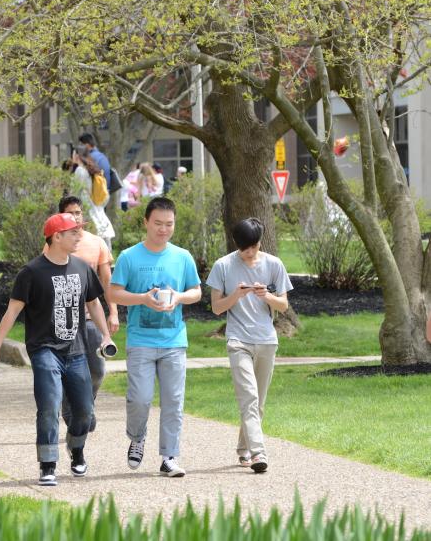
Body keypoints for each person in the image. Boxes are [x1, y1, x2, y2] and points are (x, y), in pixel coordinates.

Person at [0, 213, 114, 486]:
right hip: (44, 351)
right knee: (49, 406)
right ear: (57, 237)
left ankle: (76, 449)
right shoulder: (31, 273)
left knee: (84, 411)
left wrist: (104, 335)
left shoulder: (82, 268)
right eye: (73, 232)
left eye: (79, 231)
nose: (80, 236)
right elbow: (12, 312)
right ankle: (47, 464)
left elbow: (93, 304)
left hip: (77, 350)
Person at [108, 196, 201, 477]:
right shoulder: (129, 257)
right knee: (140, 398)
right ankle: (137, 437)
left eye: (169, 224)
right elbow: (113, 293)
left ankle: (169, 457)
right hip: (140, 340)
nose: (163, 229)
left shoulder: (182, 257)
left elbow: (196, 292)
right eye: (158, 223)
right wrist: (142, 299)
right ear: (146, 222)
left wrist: (179, 296)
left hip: (174, 341)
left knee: (174, 400)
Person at [206, 218, 292, 473]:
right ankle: (258, 453)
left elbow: (284, 305)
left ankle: (243, 449)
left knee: (258, 403)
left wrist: (267, 295)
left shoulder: (274, 265)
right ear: (237, 245)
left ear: (259, 243)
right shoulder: (223, 266)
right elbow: (216, 308)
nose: (250, 253)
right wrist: (237, 295)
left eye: (253, 247)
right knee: (249, 397)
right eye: (245, 249)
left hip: (267, 341)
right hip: (238, 341)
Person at [43, 195, 120, 432]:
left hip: (90, 319)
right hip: (63, 321)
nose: (76, 217)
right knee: (67, 370)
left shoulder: (96, 243)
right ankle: (71, 412)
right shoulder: (55, 242)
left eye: (78, 212)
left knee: (97, 370)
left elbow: (107, 281)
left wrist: (113, 312)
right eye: (70, 213)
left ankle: (87, 405)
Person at [72, 149, 115, 251]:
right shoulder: (94, 170)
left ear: (77, 156)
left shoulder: (80, 170)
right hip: (97, 207)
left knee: (91, 237)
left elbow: (74, 191)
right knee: (102, 237)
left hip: (86, 207)